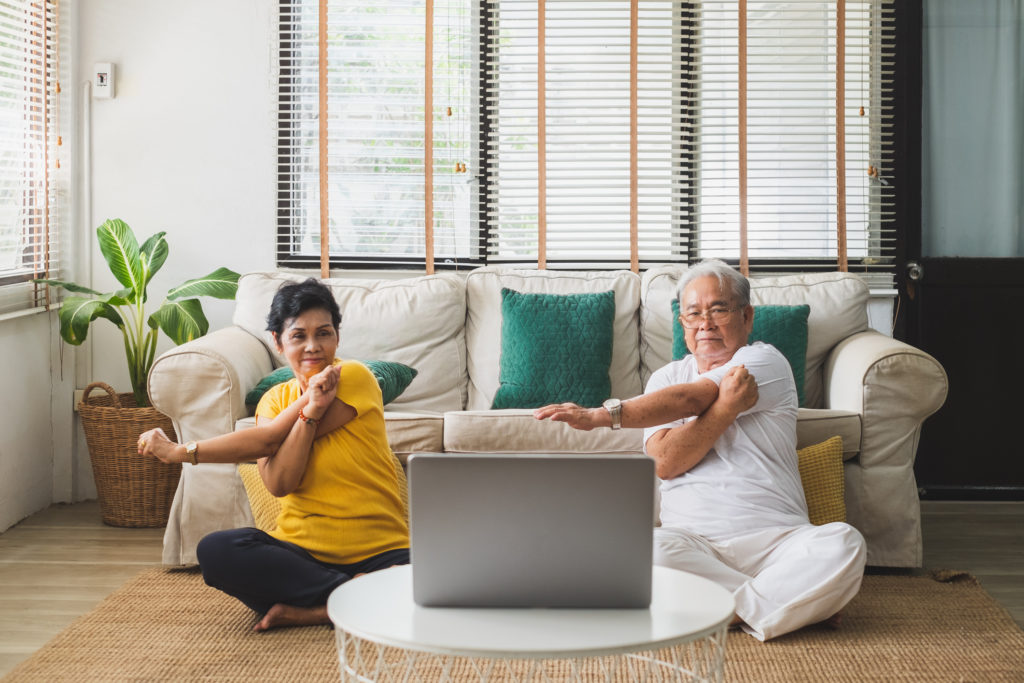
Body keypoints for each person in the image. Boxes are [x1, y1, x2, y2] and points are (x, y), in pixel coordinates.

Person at [534, 259, 866, 641]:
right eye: (693, 313)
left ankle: (719, 609)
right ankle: (791, 603)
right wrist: (727, 409)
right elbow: (665, 462)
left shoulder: (765, 361)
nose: (705, 323)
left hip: (779, 541)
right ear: (683, 325)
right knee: (644, 551)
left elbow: (695, 398)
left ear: (746, 316)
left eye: (718, 310)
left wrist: (599, 416)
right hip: (694, 545)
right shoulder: (666, 379)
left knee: (843, 543)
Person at [137, 278, 409, 631]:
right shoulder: (272, 401)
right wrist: (310, 413)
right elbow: (280, 483)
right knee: (217, 551)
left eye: (323, 333)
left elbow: (267, 440)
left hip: (381, 551)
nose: (313, 347)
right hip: (301, 556)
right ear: (278, 342)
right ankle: (354, 598)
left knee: (449, 580)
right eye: (299, 336)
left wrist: (179, 452)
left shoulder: (355, 376)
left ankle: (320, 609)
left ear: (337, 337)